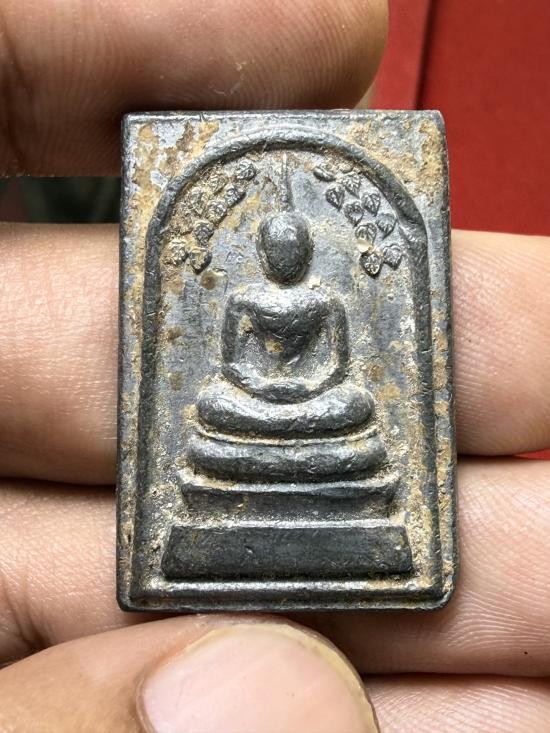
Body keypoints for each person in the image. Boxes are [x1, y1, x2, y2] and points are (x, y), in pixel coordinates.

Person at [0, 1, 549, 731]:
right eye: (275, 248)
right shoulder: (245, 298)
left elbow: (339, 367)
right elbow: (232, 365)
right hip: (254, 403)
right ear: (263, 252)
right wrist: (261, 387)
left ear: (304, 251)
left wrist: (306, 389)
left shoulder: (324, 297)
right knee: (213, 411)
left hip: (317, 405)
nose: (284, 256)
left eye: (293, 248)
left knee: (355, 408)